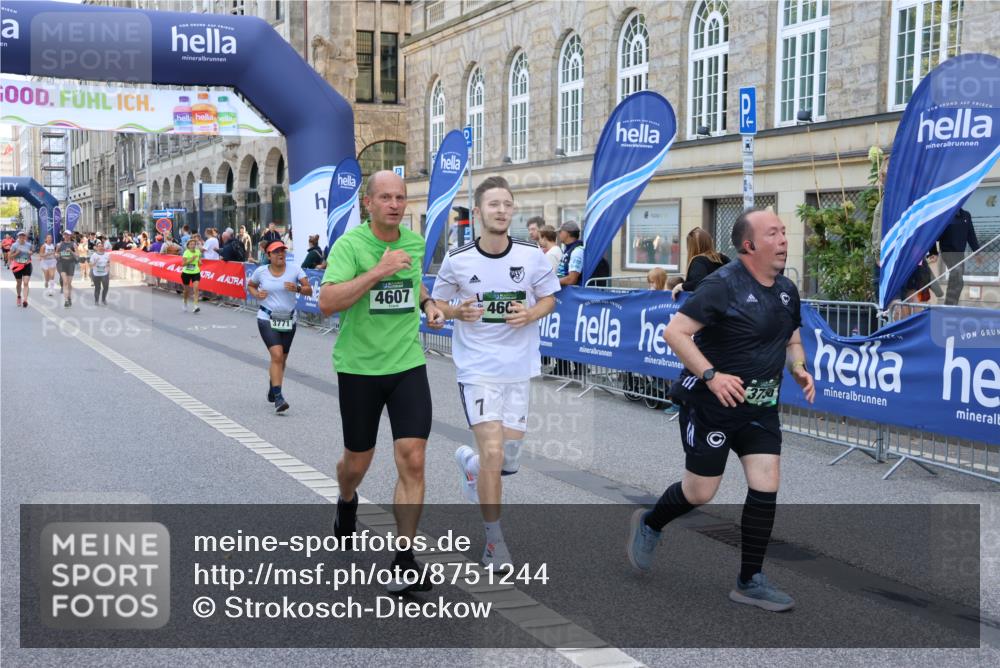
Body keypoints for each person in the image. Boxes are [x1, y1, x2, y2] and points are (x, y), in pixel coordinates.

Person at [628, 208, 815, 613]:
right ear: (749, 246)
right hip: (710, 406)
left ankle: (749, 581)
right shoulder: (722, 285)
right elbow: (675, 333)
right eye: (773, 233)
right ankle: (651, 522)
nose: (784, 239)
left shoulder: (786, 290)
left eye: (784, 232)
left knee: (766, 484)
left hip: (759, 408)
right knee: (700, 492)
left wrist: (798, 367)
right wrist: (712, 375)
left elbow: (792, 337)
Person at [318, 170, 445, 594]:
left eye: (401, 197)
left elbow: (414, 283)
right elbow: (327, 302)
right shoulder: (350, 246)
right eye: (385, 197)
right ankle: (346, 499)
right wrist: (378, 270)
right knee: (357, 462)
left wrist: (427, 302)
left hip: (407, 363)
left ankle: (404, 559)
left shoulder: (414, 242)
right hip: (359, 369)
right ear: (367, 203)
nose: (394, 204)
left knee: (413, 457)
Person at [432, 176, 560, 570]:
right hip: (478, 368)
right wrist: (453, 311)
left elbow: (550, 298)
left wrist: (531, 312)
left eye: (507, 203)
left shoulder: (531, 255)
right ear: (479, 212)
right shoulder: (458, 259)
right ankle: (493, 543)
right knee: (492, 452)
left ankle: (469, 466)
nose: (501, 210)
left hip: (518, 368)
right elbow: (436, 303)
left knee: (508, 461)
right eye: (494, 204)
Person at [247, 240, 312, 413]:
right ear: (268, 255)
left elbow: (309, 289)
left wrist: (297, 288)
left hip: (289, 319)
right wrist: (257, 294)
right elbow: (251, 286)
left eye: (282, 251)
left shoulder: (295, 269)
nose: (280, 254)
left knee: (281, 359)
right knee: (276, 355)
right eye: (275, 252)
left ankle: (273, 385)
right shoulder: (261, 271)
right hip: (266, 317)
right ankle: (278, 397)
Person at [931, 208, 980, 306]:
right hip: (947, 252)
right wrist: (933, 253)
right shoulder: (945, 215)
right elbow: (933, 234)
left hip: (960, 254)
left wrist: (977, 252)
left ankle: (950, 305)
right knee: (957, 279)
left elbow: (971, 235)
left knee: (957, 281)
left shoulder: (966, 215)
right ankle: (950, 305)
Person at [672, 228, 731, 300]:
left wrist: (680, 286)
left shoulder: (698, 261)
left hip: (709, 306)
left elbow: (698, 283)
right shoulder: (723, 258)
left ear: (691, 246)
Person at [7, 230, 34, 308]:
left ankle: (25, 300)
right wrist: (16, 253)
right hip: (17, 265)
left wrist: (31, 253)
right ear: (18, 237)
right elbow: (10, 256)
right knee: (19, 283)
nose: (22, 237)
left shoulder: (29, 245)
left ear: (25, 237)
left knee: (26, 283)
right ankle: (19, 296)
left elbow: (32, 252)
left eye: (23, 236)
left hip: (27, 265)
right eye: (20, 236)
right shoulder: (14, 245)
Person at [56, 230, 78, 307]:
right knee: (65, 282)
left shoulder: (73, 244)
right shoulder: (59, 244)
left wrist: (71, 251)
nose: (66, 236)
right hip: (62, 264)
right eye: (65, 234)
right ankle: (66, 300)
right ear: (63, 235)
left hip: (70, 264)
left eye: (68, 235)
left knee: (69, 283)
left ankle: (69, 297)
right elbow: (56, 253)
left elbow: (77, 255)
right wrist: (57, 255)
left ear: (70, 235)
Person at [181, 236, 202, 313]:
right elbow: (183, 264)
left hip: (196, 272)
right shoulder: (186, 252)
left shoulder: (198, 251)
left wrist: (200, 262)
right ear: (188, 245)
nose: (193, 245)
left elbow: (199, 260)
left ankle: (196, 306)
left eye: (194, 244)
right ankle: (185, 302)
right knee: (186, 291)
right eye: (191, 244)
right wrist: (191, 259)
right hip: (186, 273)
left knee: (196, 288)